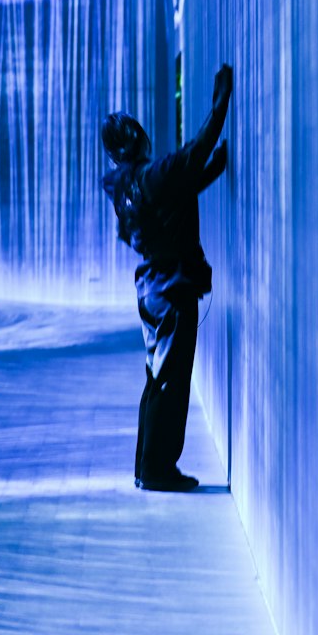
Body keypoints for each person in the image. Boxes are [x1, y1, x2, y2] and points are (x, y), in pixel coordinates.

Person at [100, 63, 233, 491]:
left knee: (158, 377)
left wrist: (212, 169)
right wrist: (219, 106)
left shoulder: (126, 184)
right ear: (136, 139)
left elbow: (181, 187)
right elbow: (189, 160)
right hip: (171, 290)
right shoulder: (150, 176)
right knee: (170, 380)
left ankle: (147, 466)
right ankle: (158, 471)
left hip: (151, 289)